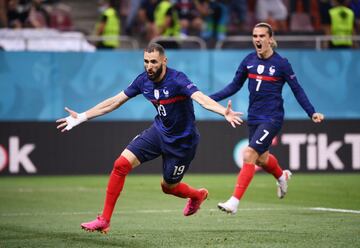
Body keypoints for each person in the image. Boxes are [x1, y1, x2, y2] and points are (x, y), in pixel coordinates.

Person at [56, 43, 243, 233]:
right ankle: (104, 220)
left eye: (153, 62)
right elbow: (114, 102)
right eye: (146, 61)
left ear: (164, 61)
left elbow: (201, 98)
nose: (149, 66)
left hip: (182, 142)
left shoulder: (177, 79)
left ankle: (196, 195)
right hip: (159, 132)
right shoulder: (142, 81)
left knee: (169, 187)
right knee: (120, 165)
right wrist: (82, 116)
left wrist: (223, 112)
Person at [210, 22, 324, 215]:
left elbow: (297, 90)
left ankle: (234, 202)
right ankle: (281, 176)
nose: (258, 40)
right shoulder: (248, 61)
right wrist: (207, 99)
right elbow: (233, 86)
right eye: (255, 36)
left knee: (249, 155)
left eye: (262, 36)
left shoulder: (281, 64)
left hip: (272, 118)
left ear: (270, 39)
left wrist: (311, 112)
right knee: (262, 159)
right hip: (254, 117)